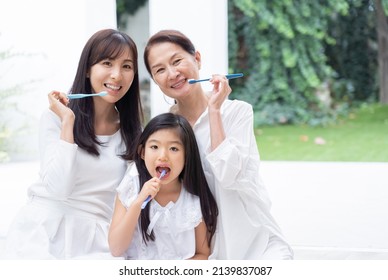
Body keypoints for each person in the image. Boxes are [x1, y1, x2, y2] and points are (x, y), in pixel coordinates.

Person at [143, 29, 293, 260]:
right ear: (155, 80)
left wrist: (214, 111)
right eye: (160, 70)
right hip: (200, 249)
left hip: (253, 241)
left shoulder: (237, 112)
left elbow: (229, 175)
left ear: (198, 59)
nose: (172, 74)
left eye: (177, 61)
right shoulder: (166, 130)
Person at [2, 29, 144, 259]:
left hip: (97, 242)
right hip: (43, 235)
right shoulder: (55, 118)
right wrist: (68, 122)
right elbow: (59, 189)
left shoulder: (134, 134)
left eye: (127, 66)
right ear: (88, 69)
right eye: (107, 63)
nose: (117, 75)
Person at [108, 112, 218, 260]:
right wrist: (138, 202)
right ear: (142, 152)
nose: (163, 156)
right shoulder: (131, 187)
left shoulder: (194, 201)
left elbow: (203, 254)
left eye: (174, 149)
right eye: (154, 146)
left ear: (187, 157)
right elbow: (116, 248)